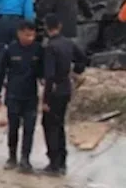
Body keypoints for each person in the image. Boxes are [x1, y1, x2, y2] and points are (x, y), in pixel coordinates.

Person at [0, 20, 41, 174]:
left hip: (31, 96)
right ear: (19, 33)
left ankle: (25, 159)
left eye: (32, 35)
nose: (30, 38)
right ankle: (12, 157)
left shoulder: (38, 50)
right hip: (13, 96)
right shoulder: (9, 50)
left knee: (29, 129)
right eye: (27, 35)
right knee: (13, 128)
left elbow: (44, 73)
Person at [41, 14, 87, 176]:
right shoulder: (68, 43)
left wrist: (45, 100)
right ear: (59, 26)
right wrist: (76, 72)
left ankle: (54, 163)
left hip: (54, 91)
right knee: (59, 125)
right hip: (66, 88)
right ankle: (62, 162)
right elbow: (83, 59)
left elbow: (49, 76)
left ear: (46, 28)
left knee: (50, 126)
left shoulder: (50, 47)